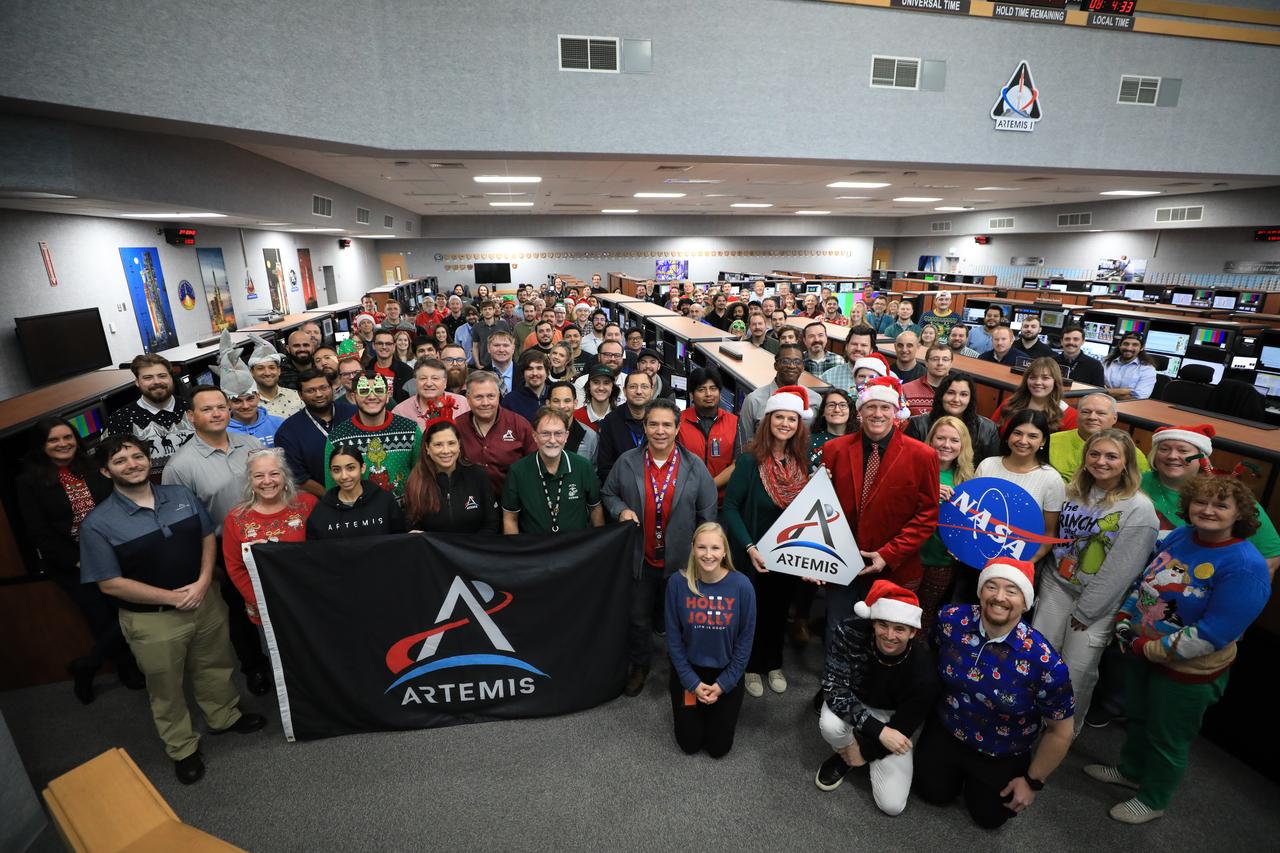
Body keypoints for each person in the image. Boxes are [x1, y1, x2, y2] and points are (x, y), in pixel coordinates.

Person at [80, 434, 266, 784]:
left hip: (205, 600)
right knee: (165, 687)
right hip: (154, 620)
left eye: (137, 457)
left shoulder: (179, 495)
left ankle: (223, 717)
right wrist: (172, 598)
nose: (132, 465)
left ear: (148, 460)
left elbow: (207, 536)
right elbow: (109, 582)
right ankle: (182, 748)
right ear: (106, 471)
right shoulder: (98, 524)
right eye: (120, 461)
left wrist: (203, 581)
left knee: (216, 664)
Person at [1094, 476, 1270, 824]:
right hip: (1143, 651)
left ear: (1239, 514)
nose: (1207, 510)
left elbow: (1214, 633)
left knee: (1168, 737)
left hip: (1187, 672)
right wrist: (1128, 615)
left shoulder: (1245, 565)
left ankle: (1153, 798)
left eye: (1220, 505)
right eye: (1201, 502)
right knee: (1140, 717)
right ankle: (1131, 770)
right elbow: (1148, 579)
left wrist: (1149, 649)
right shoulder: (1182, 536)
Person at [915, 557, 1075, 829]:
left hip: (1001, 750)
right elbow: (930, 661)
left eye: (1012, 591)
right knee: (931, 794)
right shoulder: (950, 620)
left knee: (989, 818)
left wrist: (1033, 782)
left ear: (1026, 602)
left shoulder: (1045, 663)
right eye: (991, 586)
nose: (999, 597)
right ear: (979, 591)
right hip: (947, 728)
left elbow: (1061, 732)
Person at [820, 373, 939, 706]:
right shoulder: (834, 450)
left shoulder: (922, 456)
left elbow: (927, 515)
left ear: (895, 412)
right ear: (859, 412)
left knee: (886, 638)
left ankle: (871, 696)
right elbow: (822, 507)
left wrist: (887, 554)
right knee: (838, 631)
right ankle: (834, 690)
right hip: (843, 565)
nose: (876, 414)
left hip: (893, 569)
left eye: (884, 408)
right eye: (870, 407)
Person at [1033, 429, 1158, 735]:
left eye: (1111, 456)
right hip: (1056, 585)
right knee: (1039, 657)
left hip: (1096, 603)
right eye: (1095, 454)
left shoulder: (1139, 508)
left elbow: (1123, 569)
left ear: (1126, 462)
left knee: (1076, 671)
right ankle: (1029, 723)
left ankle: (1062, 734)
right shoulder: (1073, 490)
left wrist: (1087, 610)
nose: (1101, 461)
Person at [18, 418, 142, 703]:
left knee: (127, 609)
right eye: (54, 440)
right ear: (42, 446)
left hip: (112, 551)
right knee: (100, 616)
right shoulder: (28, 482)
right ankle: (125, 669)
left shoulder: (93, 467)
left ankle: (87, 665)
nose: (63, 444)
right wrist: (79, 562)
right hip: (71, 563)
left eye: (67, 437)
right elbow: (38, 532)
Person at [602, 398, 718, 697]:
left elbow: (707, 515)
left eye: (667, 424)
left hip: (682, 562)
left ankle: (681, 670)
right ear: (645, 426)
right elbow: (609, 493)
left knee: (680, 620)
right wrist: (620, 510)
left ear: (678, 428)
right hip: (641, 558)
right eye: (653, 424)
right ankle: (639, 666)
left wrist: (704, 558)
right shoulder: (627, 461)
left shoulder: (695, 466)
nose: (660, 430)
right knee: (638, 618)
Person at [162, 384, 270, 695]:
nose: (217, 413)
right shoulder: (180, 466)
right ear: (191, 416)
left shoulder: (250, 445)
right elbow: (182, 525)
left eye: (221, 407)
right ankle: (254, 667)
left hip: (270, 542)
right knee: (239, 613)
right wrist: (209, 567)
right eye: (207, 409)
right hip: (225, 552)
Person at [815, 580, 938, 816]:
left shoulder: (924, 669)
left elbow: (906, 723)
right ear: (873, 622)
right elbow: (833, 688)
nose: (889, 636)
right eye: (883, 625)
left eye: (900, 629)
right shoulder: (849, 631)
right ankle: (845, 752)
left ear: (913, 631)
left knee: (891, 805)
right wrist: (878, 732)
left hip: (893, 718)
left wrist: (867, 752)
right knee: (830, 726)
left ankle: (857, 751)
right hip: (855, 700)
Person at [722, 386, 813, 697]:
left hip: (786, 555)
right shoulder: (749, 460)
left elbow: (805, 513)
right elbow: (731, 507)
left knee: (777, 611)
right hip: (753, 553)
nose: (785, 423)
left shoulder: (800, 463)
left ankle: (773, 662)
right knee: (751, 613)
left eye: (792, 418)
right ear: (768, 419)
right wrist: (749, 546)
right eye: (779, 417)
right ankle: (747, 665)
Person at [664, 522, 756, 758]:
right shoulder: (677, 583)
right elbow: (673, 640)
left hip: (726, 674)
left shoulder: (742, 586)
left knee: (718, 748)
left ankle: (714, 707)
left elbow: (745, 644)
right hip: (689, 674)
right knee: (689, 744)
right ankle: (698, 707)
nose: (708, 554)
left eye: (715, 548)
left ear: (725, 551)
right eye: (702, 547)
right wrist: (692, 682)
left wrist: (724, 683)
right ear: (693, 549)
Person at [1140, 424, 1280, 574]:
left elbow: (1270, 556)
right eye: (1164, 449)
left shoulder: (1228, 494)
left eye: (1183, 450)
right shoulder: (1135, 482)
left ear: (1201, 457)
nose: (1172, 456)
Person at [221, 448, 317, 626]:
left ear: (285, 476)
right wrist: (264, 602)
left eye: (274, 473)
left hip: (309, 603)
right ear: (250, 480)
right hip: (267, 611)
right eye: (258, 476)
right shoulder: (236, 519)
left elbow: (321, 553)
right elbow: (236, 568)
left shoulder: (308, 504)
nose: (267, 481)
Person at [323, 371, 422, 504]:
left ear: (388, 396)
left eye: (379, 390)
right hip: (360, 517)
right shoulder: (337, 438)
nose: (372, 396)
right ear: (353, 397)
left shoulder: (410, 429)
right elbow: (332, 490)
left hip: (405, 517)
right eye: (364, 391)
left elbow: (422, 476)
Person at [502, 406, 604, 534]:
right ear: (534, 436)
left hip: (576, 549)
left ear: (566, 436)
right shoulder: (518, 471)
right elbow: (510, 518)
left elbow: (596, 509)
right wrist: (516, 552)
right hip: (534, 550)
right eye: (545, 433)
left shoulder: (583, 467)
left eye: (558, 433)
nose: (552, 440)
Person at [916, 415, 975, 634]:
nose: (946, 445)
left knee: (926, 613)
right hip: (909, 555)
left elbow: (970, 524)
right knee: (898, 607)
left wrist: (962, 546)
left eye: (954, 440)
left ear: (963, 445)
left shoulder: (967, 479)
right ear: (931, 439)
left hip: (942, 560)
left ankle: (916, 661)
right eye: (941, 438)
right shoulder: (914, 465)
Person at [402, 421, 499, 534]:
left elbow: (492, 523)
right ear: (427, 448)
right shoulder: (416, 482)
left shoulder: (478, 475)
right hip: (435, 550)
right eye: (438, 445)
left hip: (475, 549)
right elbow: (413, 527)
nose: (446, 451)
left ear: (459, 445)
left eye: (451, 443)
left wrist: (472, 547)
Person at [274, 368, 357, 498]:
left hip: (363, 494)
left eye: (324, 388)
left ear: (332, 388)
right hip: (321, 503)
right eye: (310, 391)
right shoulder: (288, 431)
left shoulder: (354, 414)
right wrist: (331, 496)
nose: (319, 394)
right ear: (300, 395)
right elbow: (298, 476)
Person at [105, 353, 192, 474]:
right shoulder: (119, 420)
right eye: (148, 378)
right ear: (137, 382)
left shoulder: (193, 407)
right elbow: (113, 465)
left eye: (162, 376)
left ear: (171, 378)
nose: (156, 382)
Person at [454, 370, 537, 495]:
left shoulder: (519, 425)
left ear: (498, 396)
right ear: (468, 398)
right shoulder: (457, 427)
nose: (485, 403)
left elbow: (535, 465)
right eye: (479, 397)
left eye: (490, 396)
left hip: (512, 502)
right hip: (469, 505)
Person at [306, 445, 406, 538]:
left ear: (362, 468)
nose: (344, 476)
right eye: (337, 470)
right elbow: (315, 551)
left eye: (350, 468)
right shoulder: (321, 511)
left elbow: (401, 540)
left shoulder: (384, 501)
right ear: (331, 473)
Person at [1048, 392, 1148, 483]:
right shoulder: (1051, 441)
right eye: (1085, 412)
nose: (1092, 417)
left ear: (1114, 418)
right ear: (1077, 415)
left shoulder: (1131, 453)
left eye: (1101, 413)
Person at [905, 372, 1000, 464]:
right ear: (941, 395)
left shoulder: (988, 429)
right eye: (950, 393)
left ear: (970, 399)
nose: (956, 399)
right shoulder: (918, 425)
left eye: (963, 394)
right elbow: (908, 462)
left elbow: (990, 467)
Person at [677, 366, 738, 499]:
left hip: (722, 502)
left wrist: (709, 487)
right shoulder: (678, 421)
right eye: (701, 389)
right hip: (686, 499)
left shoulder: (734, 422)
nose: (708, 394)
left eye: (713, 388)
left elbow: (737, 464)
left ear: (720, 393)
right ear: (691, 395)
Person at [737, 343, 814, 447]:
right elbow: (744, 443)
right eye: (785, 361)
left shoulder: (815, 400)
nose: (792, 366)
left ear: (803, 367)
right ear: (776, 365)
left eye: (797, 362)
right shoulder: (753, 400)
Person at [991, 357, 1078, 433]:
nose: (1038, 382)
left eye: (1045, 378)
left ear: (1055, 382)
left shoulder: (1070, 416)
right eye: (1033, 377)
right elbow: (991, 433)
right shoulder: (1009, 404)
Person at [596, 370, 653, 480]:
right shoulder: (611, 421)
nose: (639, 391)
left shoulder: (660, 419)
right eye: (633, 387)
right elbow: (605, 468)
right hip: (622, 487)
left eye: (644, 387)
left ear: (651, 390)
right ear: (624, 391)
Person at [392, 358, 470, 431]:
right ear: (415, 382)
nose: (429, 383)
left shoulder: (463, 404)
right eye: (423, 378)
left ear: (445, 382)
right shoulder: (400, 412)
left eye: (435, 378)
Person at [247, 336, 303, 419]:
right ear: (252, 372)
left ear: (279, 370)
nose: (267, 373)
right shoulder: (247, 405)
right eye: (260, 368)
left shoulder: (298, 397)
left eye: (272, 367)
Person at [546, 380, 597, 462]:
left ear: (575, 403)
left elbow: (593, 472)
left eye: (567, 401)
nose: (562, 406)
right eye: (556, 401)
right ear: (548, 403)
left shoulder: (590, 437)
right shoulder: (539, 434)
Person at [817, 325, 877, 394]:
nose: (858, 348)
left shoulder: (886, 376)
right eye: (854, 344)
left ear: (871, 350)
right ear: (846, 346)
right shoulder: (828, 377)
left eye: (864, 345)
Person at [901, 344, 952, 416]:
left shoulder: (958, 392)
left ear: (951, 363)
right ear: (926, 362)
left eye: (945, 359)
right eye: (935, 359)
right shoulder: (906, 390)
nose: (940, 363)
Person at [1104, 332, 1158, 400]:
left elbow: (1139, 397)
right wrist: (1126, 391)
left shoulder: (1148, 369)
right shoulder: (1106, 362)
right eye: (1126, 344)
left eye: (1135, 345)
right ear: (1120, 345)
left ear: (1141, 348)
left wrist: (1108, 392)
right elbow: (1096, 388)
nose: (1129, 348)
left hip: (1128, 407)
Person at [808, 388, 852, 470]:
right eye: (831, 405)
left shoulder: (860, 439)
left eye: (843, 405)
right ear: (823, 411)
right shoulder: (809, 441)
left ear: (850, 411)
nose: (837, 410)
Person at [369, 329, 415, 403]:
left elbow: (413, 399)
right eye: (380, 343)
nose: (384, 347)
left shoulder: (407, 371)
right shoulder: (365, 369)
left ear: (394, 346)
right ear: (373, 346)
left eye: (388, 344)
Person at [574, 364, 618, 433]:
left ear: (612, 387)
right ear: (589, 386)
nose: (601, 388)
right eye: (596, 382)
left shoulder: (621, 417)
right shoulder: (576, 418)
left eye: (606, 383)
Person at [470, 299, 512, 368]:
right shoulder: (477, 327)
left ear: (494, 310)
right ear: (481, 311)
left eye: (490, 309)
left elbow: (510, 344)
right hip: (484, 364)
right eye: (485, 309)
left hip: (502, 362)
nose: (487, 311)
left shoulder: (503, 324)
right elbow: (475, 347)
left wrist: (509, 361)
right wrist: (477, 364)